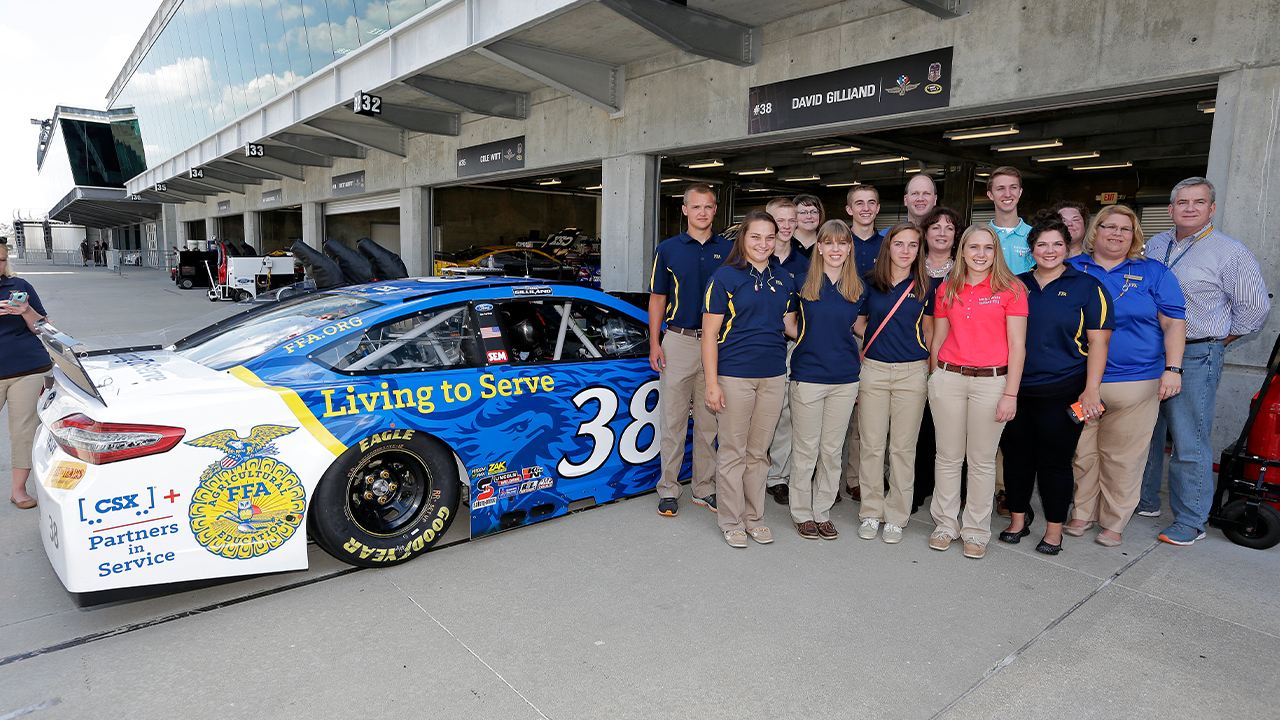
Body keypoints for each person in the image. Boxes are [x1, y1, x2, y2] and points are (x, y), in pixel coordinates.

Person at [1139, 177, 1271, 545]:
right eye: (1182, 202)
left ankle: (1191, 520)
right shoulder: (1156, 244)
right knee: (1146, 432)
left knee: (1188, 438)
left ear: (1212, 208)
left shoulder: (1230, 252)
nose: (1190, 208)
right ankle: (1144, 501)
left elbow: (1255, 311)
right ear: (1170, 209)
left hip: (1197, 352)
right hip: (1150, 351)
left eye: (1199, 202)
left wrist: (1215, 342)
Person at [1068, 206, 1186, 547]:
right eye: (1109, 227)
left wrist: (1173, 368)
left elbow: (1173, 322)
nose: (1117, 234)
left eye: (1126, 228)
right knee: (1083, 452)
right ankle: (1082, 511)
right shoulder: (1072, 267)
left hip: (1135, 381)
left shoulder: (1154, 272)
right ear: (1095, 231)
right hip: (1079, 381)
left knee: (1124, 456)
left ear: (1135, 235)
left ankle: (1115, 520)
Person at [998, 220, 1113, 555]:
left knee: (1055, 462)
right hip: (1017, 389)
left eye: (1057, 244)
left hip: (1063, 391)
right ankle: (1018, 521)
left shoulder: (1089, 286)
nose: (1049, 251)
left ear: (1068, 247)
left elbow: (1099, 344)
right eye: (1042, 245)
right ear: (1031, 250)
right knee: (1017, 459)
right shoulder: (1016, 285)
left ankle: (1053, 530)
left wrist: (1091, 390)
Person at [928, 225, 1027, 559]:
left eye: (988, 247)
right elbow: (938, 338)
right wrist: (933, 378)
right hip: (949, 379)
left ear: (996, 251)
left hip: (991, 382)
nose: (980, 254)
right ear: (963, 251)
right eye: (973, 247)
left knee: (982, 461)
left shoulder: (1011, 289)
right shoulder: (948, 287)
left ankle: (975, 530)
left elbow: (1018, 345)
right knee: (947, 457)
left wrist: (1010, 394)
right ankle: (944, 524)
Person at [703, 210, 798, 547]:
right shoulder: (725, 278)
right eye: (755, 236)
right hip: (734, 376)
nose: (763, 243)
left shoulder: (785, 279)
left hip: (773, 376)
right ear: (743, 238)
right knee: (732, 450)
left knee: (759, 453)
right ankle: (731, 520)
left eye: (769, 237)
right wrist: (712, 384)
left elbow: (790, 326)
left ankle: (754, 517)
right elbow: (710, 334)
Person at [648, 183, 734, 517]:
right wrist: (656, 342)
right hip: (679, 341)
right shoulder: (667, 249)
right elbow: (658, 298)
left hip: (717, 344)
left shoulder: (729, 250)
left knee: (710, 423)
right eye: (695, 207)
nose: (702, 212)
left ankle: (704, 488)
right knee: (672, 419)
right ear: (684, 210)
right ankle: (668, 489)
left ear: (715, 210)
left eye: (708, 207)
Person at [856, 222, 933, 544]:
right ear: (888, 247)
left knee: (903, 448)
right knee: (871, 446)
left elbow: (930, 333)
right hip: (873, 370)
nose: (905, 251)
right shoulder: (870, 284)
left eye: (912, 245)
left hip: (912, 373)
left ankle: (897, 515)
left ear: (919, 250)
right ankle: (871, 511)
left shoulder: (927, 286)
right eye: (899, 244)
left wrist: (930, 368)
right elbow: (859, 325)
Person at [788, 220, 866, 539]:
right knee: (806, 448)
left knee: (832, 450)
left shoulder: (858, 288)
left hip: (845, 379)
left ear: (849, 248)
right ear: (818, 247)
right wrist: (812, 340)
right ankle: (801, 512)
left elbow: (861, 327)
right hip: (808, 375)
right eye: (829, 243)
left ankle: (822, 511)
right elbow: (789, 324)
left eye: (842, 243)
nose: (836, 249)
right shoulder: (800, 282)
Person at [914, 206, 963, 512]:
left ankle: (956, 494)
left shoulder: (966, 270)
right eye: (935, 227)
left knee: (951, 431)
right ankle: (916, 488)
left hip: (953, 360)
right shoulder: (910, 266)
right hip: (911, 356)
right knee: (917, 429)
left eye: (949, 227)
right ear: (925, 233)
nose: (942, 233)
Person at [764, 197, 808, 505]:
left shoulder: (805, 263)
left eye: (792, 220)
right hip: (757, 346)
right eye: (781, 220)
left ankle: (778, 476)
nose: (787, 225)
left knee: (786, 413)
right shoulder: (751, 258)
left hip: (792, 345)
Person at [1, 244, 51, 509]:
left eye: (1, 260)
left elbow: (42, 327)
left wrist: (26, 312)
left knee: (24, 432)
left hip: (28, 369)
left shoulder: (19, 285)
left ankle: (18, 490)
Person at [986, 167, 1034, 274]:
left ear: (1020, 192)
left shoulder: (1034, 235)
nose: (1007, 194)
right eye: (1000, 188)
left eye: (1013, 187)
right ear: (990, 195)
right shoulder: (981, 235)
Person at [846, 185, 884, 276]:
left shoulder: (887, 245)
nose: (866, 208)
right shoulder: (838, 245)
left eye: (871, 203)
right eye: (859, 203)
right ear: (849, 210)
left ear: (877, 208)